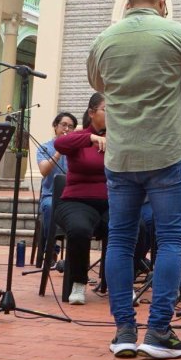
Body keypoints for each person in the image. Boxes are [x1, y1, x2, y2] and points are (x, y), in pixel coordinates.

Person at [87, 0, 181, 360]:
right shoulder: (176, 32)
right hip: (165, 155)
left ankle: (124, 331)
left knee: (120, 239)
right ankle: (159, 331)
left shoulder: (104, 39)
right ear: (162, 2)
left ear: (129, 3)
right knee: (170, 240)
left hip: (121, 156)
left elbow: (99, 82)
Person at [52, 94, 109, 304]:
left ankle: (119, 282)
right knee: (79, 229)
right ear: (92, 113)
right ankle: (78, 282)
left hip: (110, 202)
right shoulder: (80, 137)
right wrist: (91, 138)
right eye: (106, 109)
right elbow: (60, 143)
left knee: (134, 226)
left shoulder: (118, 137)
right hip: (77, 201)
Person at [36, 111, 77, 260]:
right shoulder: (45, 148)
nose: (67, 129)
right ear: (55, 126)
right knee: (48, 206)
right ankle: (52, 249)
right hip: (51, 195)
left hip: (72, 195)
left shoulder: (77, 148)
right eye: (63, 125)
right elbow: (43, 170)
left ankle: (76, 255)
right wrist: (59, 151)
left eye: (71, 127)